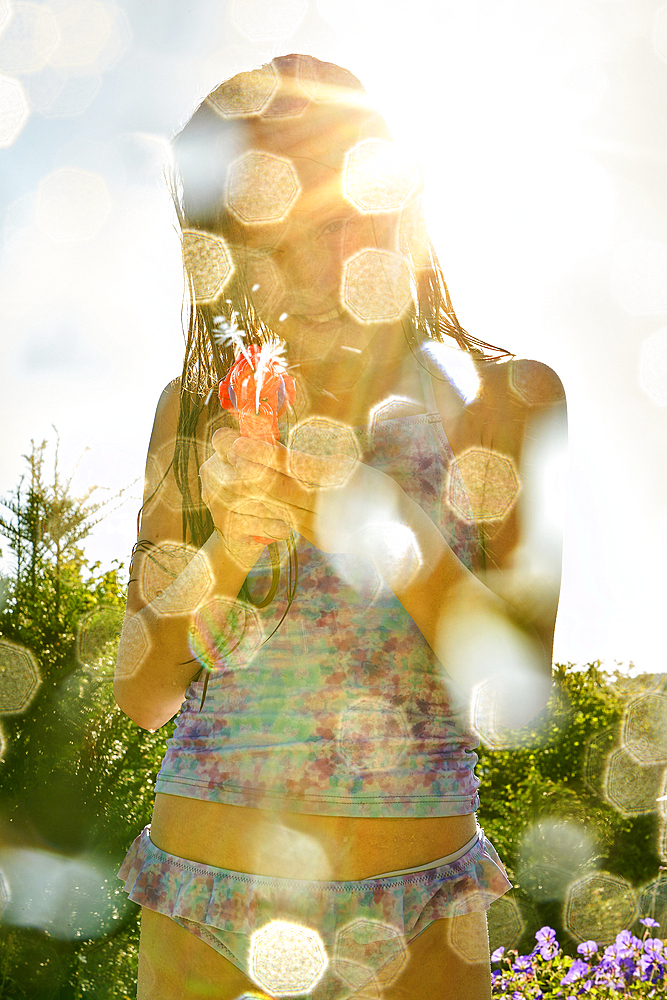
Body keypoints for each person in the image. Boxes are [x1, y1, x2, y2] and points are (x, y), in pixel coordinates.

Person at [115, 53, 566, 1000]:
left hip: (418, 909)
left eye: (338, 219)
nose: (313, 269)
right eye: (267, 239)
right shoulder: (197, 411)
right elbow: (145, 690)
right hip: (203, 897)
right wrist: (234, 539)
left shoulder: (506, 399)